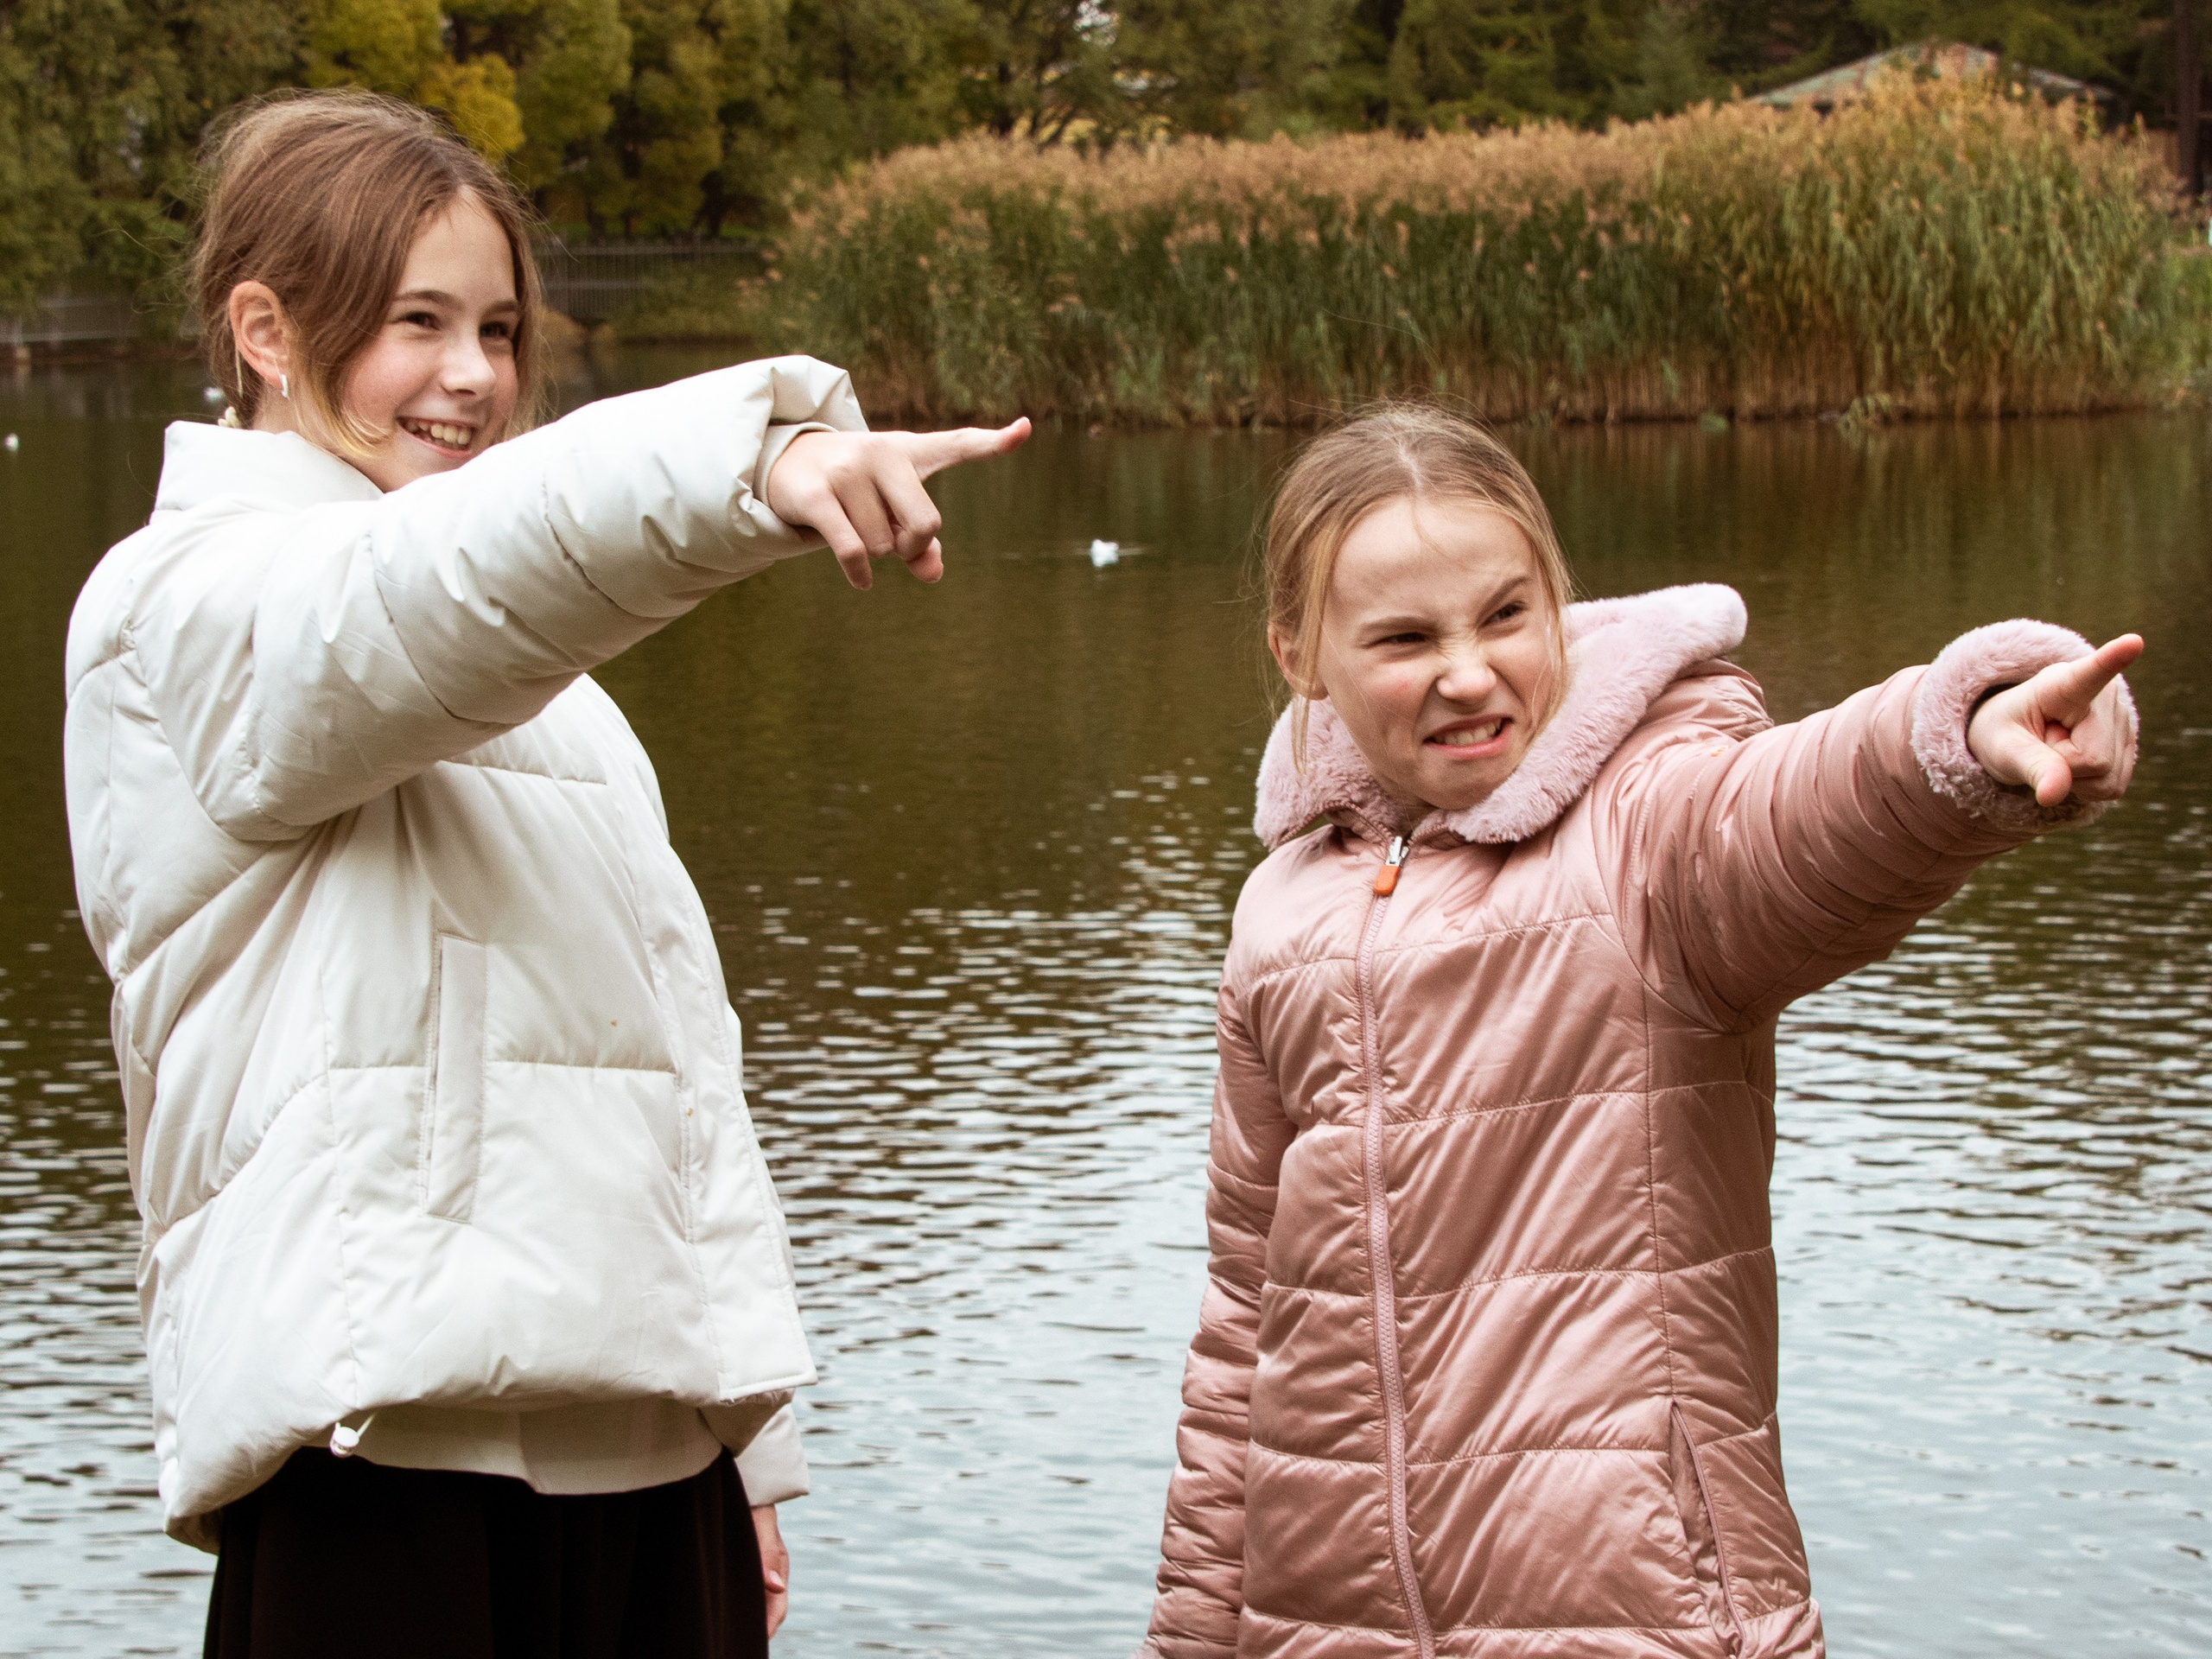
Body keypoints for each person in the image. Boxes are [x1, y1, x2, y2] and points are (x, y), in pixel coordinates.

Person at [60, 89, 1026, 1658]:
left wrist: (750, 1448)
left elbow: (680, 1076)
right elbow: (424, 592)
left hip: (652, 1474)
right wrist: (749, 461)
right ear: (262, 328)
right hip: (381, 1478)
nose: (471, 376)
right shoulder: (185, 611)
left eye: (500, 329)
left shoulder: (555, 699)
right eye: (414, 322)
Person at [1137, 405, 2139, 1659]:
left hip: (1640, 1608)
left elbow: (1808, 810)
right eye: (1403, 637)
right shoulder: (1281, 911)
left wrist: (1968, 732)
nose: (1468, 672)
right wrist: (1192, 1634)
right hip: (1322, 1625)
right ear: (1299, 652)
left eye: (1507, 616)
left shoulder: (1650, 833)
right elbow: (1246, 1321)